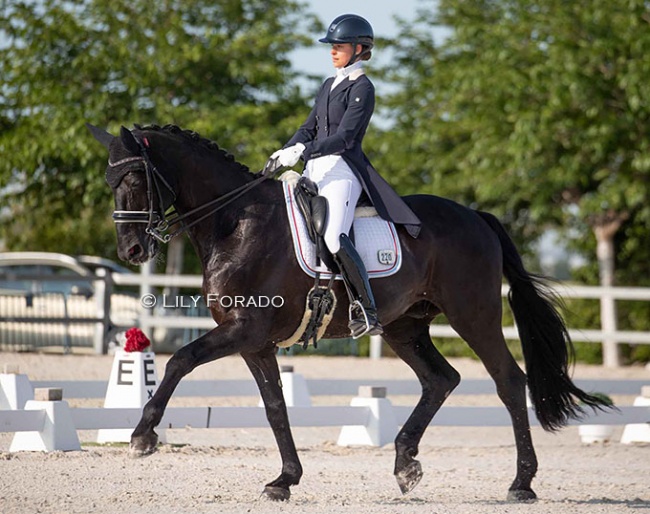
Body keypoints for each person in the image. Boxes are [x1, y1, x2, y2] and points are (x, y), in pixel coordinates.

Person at [268, 14, 421, 338]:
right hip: (313, 170)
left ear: (359, 48)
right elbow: (308, 127)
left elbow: (346, 137)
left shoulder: (363, 88)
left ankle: (365, 309)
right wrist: (287, 150)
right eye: (332, 46)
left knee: (334, 235)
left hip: (342, 170)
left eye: (339, 46)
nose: (333, 51)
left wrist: (304, 151)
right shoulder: (329, 84)